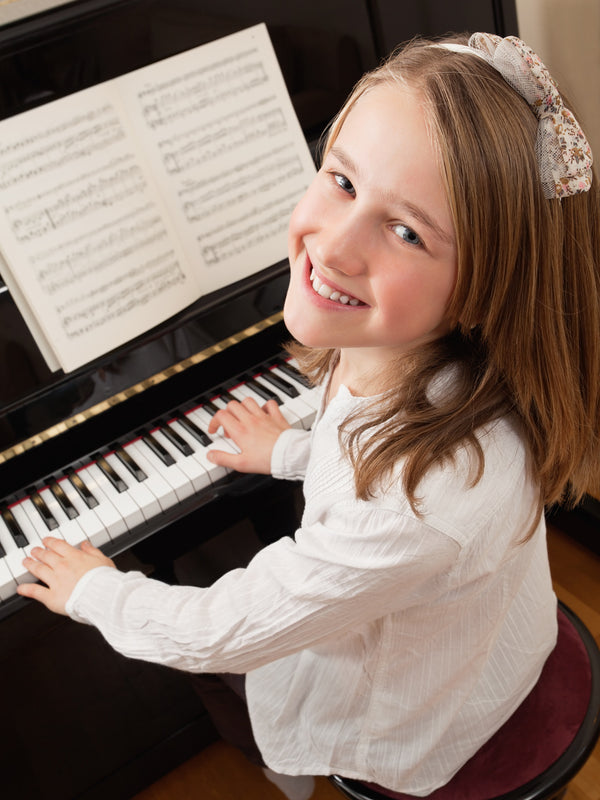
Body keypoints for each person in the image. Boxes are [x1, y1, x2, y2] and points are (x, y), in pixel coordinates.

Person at [16, 31, 600, 798]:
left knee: (234, 676)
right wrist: (293, 452)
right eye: (343, 181)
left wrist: (97, 592)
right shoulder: (439, 357)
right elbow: (361, 441)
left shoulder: (417, 505)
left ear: (488, 285)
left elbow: (218, 628)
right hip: (485, 630)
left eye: (407, 231)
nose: (335, 247)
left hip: (426, 711)